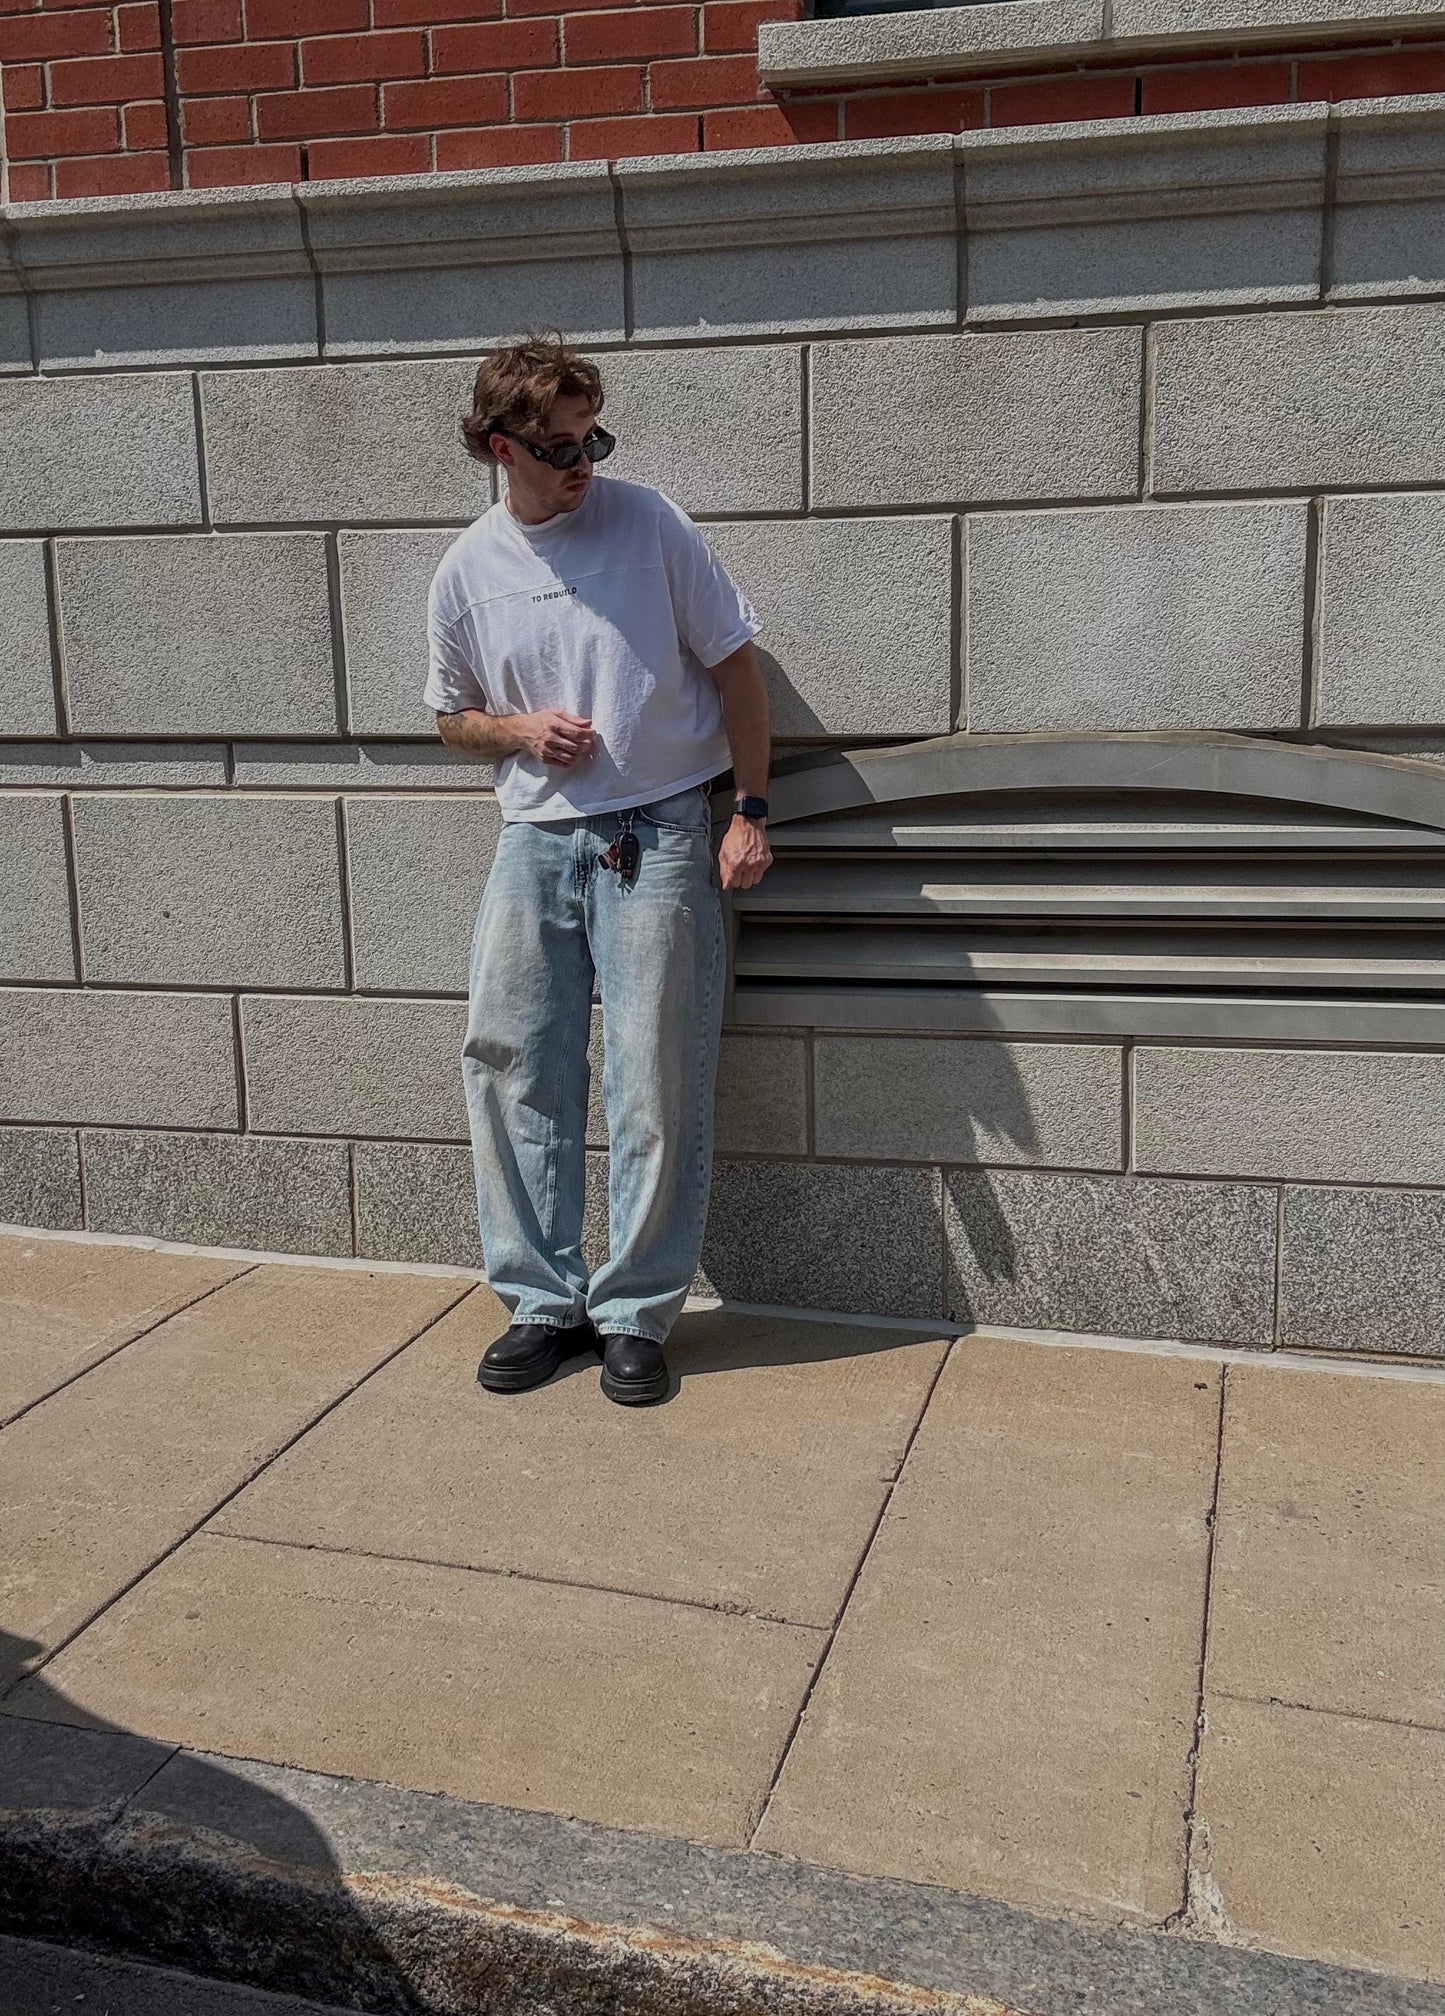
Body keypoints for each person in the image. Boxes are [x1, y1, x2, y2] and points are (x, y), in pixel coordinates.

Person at [424, 331, 774, 1407]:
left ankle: (633, 1313)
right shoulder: (466, 570)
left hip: (662, 832)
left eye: (593, 438)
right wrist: (520, 732)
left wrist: (747, 809)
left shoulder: (648, 524)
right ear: (500, 447)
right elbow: (449, 722)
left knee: (654, 1078)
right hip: (533, 842)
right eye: (562, 446)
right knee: (512, 1068)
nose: (584, 462)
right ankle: (542, 1302)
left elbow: (735, 672)